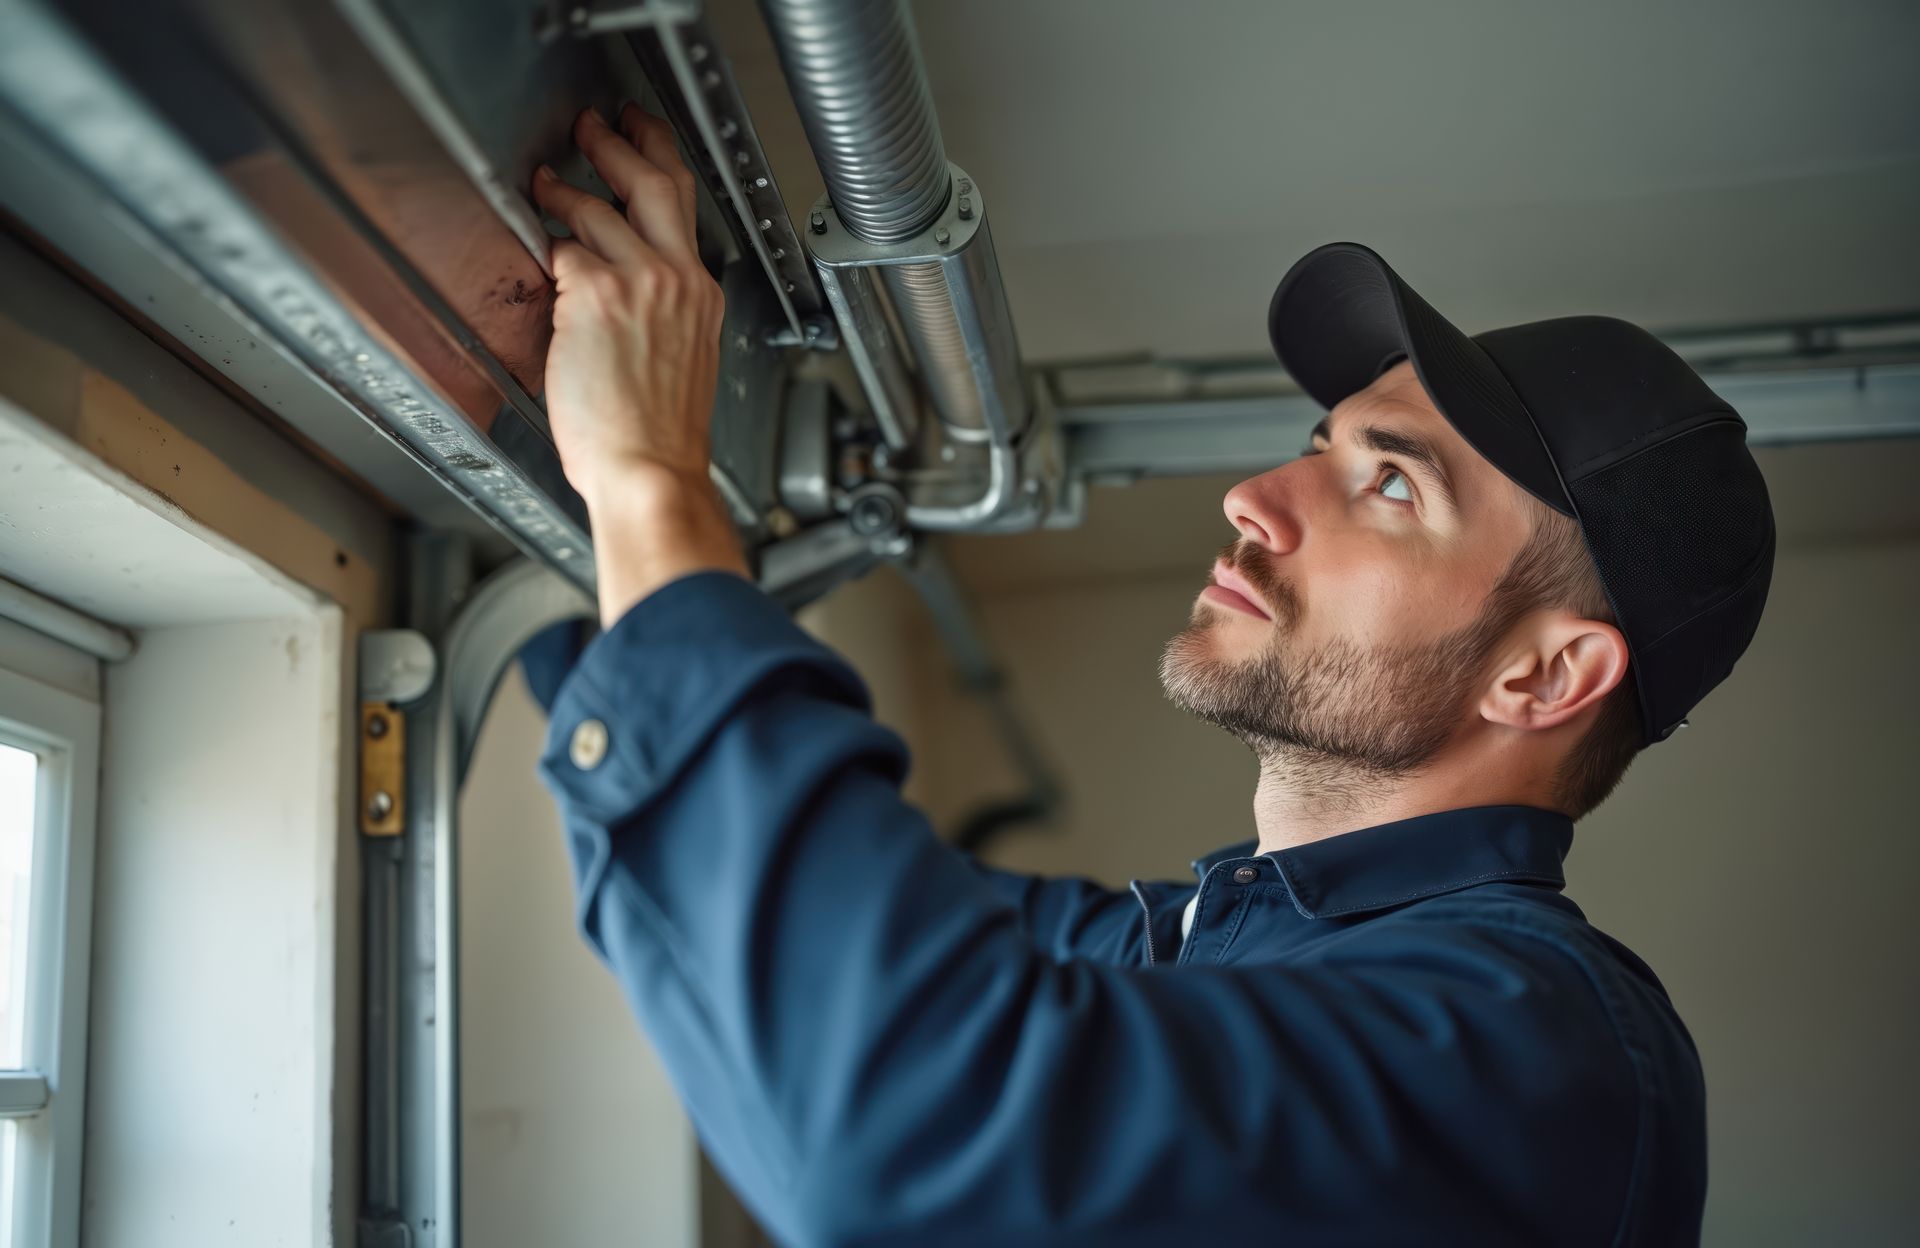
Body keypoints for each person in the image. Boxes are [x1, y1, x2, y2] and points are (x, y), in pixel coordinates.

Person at [523, 103, 1775, 1246]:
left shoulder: (1540, 1050)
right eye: (1317, 445)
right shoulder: (1195, 943)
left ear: (1546, 676)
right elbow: (818, 930)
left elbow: (903, 1123)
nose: (1254, 499)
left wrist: (653, 483)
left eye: (1391, 483)